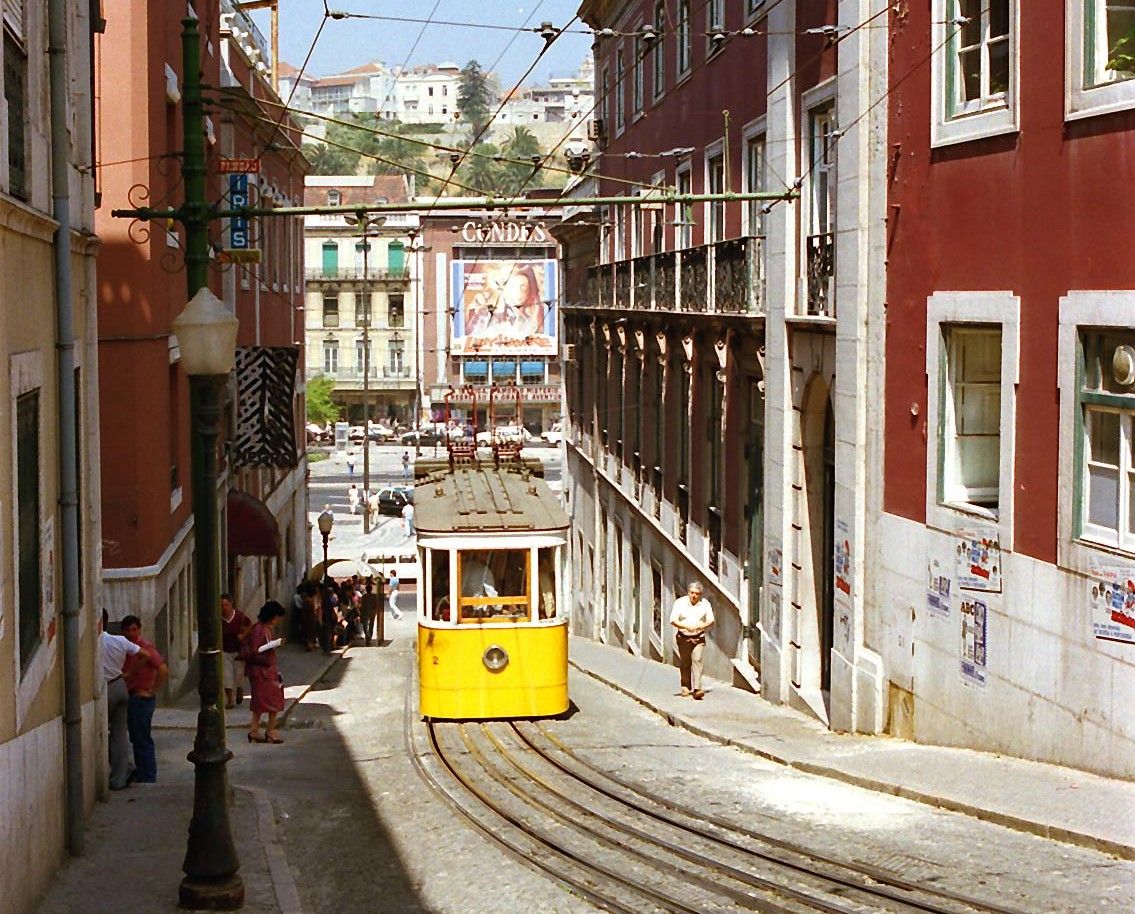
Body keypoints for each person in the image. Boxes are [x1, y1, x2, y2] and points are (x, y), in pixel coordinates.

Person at [121, 614, 169, 782]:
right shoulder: (125, 647)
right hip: (131, 696)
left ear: (139, 630)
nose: (131, 633)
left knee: (142, 737)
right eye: (127, 630)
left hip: (142, 697)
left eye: (134, 629)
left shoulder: (145, 647)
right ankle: (142, 773)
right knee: (136, 736)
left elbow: (162, 669)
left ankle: (148, 776)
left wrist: (152, 691)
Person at [100, 609, 143, 790]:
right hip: (120, 685)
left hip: (106, 688)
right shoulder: (119, 640)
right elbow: (144, 654)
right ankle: (121, 775)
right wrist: (129, 673)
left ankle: (122, 770)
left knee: (101, 733)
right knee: (119, 734)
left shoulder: (93, 642)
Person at [244, 601, 287, 744]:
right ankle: (270, 730)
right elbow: (256, 650)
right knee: (270, 701)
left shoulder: (265, 628)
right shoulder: (258, 629)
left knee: (261, 701)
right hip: (261, 671)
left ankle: (255, 730)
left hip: (266, 670)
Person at [670, 581, 714, 700]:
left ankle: (697, 688)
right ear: (688, 592)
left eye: (697, 594)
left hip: (698, 636)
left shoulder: (705, 604)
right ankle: (685, 686)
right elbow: (673, 620)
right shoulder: (680, 603)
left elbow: (711, 620)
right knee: (685, 662)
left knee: (698, 659)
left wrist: (702, 626)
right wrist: (685, 627)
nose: (694, 596)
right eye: (692, 593)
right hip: (683, 636)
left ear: (701, 594)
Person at [220, 593, 252, 709]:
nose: (224, 608)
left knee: (238, 674)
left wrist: (243, 636)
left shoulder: (239, 616)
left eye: (226, 605)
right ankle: (230, 700)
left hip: (238, 651)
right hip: (224, 650)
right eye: (222, 605)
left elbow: (249, 625)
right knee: (227, 676)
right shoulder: (218, 618)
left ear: (231, 604)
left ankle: (239, 688)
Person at [360, 579, 381, 646]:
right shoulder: (374, 596)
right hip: (372, 612)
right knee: (371, 625)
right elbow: (376, 604)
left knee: (365, 625)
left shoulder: (364, 597)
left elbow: (362, 605)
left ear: (366, 590)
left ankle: (367, 636)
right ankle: (369, 637)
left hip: (365, 612)